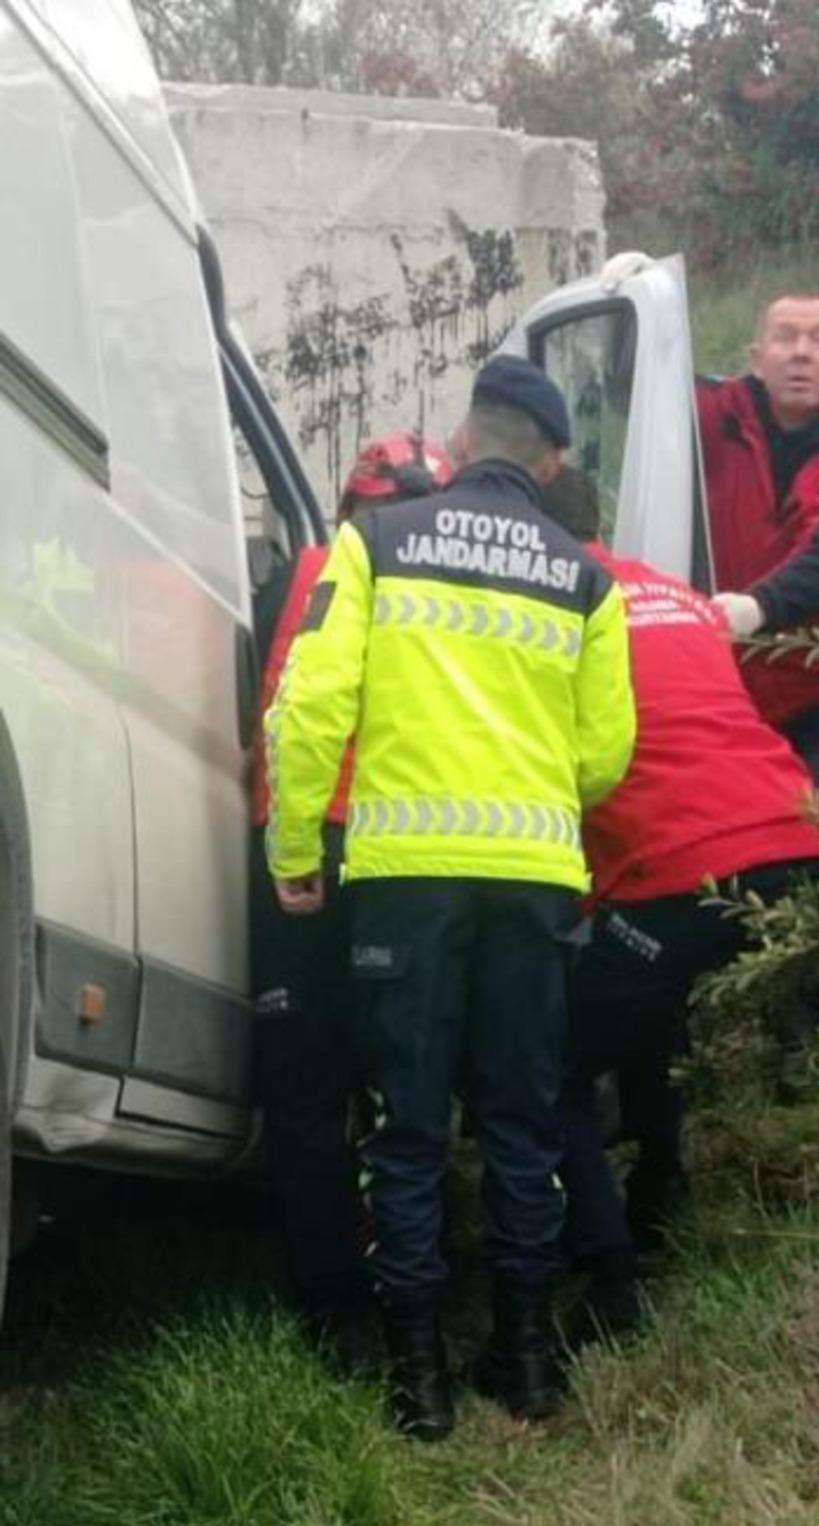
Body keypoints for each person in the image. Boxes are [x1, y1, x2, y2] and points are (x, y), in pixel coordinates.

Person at [265, 357, 637, 1440]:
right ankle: (522, 1359)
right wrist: (531, 793)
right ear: (553, 461)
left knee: (408, 1124)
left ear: (461, 443)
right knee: (521, 1122)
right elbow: (607, 753)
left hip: (404, 886)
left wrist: (296, 847)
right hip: (532, 886)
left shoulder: (374, 543)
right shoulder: (587, 578)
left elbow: (310, 705)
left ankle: (417, 1379)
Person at [538, 466, 819, 1341]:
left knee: (551, 1060)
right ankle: (660, 1192)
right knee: (645, 1004)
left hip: (691, 864)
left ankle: (611, 1285)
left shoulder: (554, 601)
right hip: (806, 842)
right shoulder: (669, 593)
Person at [249, 433, 453, 1373]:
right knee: (406, 1074)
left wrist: (287, 843)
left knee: (304, 1082)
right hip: (405, 850)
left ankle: (334, 1312)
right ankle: (417, 1281)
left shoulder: (315, 570)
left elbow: (290, 713)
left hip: (312, 839)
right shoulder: (452, 593)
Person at [601, 254, 819, 815]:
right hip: (729, 682)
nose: (800, 351)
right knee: (723, 830)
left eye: (818, 340)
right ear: (757, 358)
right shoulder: (719, 412)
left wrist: (756, 608)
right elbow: (631, 388)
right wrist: (631, 303)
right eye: (785, 337)